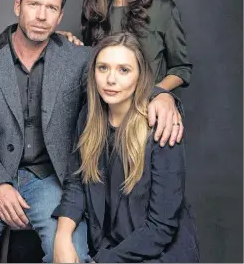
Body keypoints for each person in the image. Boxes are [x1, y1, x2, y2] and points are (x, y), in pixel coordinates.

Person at [0, 0, 184, 263]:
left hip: (54, 179)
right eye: (34, 5)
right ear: (18, 6)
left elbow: (122, 69)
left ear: (60, 15)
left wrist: (162, 95)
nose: (42, 16)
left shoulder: (79, 58)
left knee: (70, 255)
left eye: (51, 8)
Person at [52, 33, 199, 263]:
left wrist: (104, 261)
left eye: (124, 70)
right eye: (103, 68)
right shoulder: (88, 118)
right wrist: (62, 236)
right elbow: (77, 183)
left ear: (140, 76)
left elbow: (160, 227)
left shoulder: (161, 127)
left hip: (159, 254)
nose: (111, 79)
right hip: (108, 246)